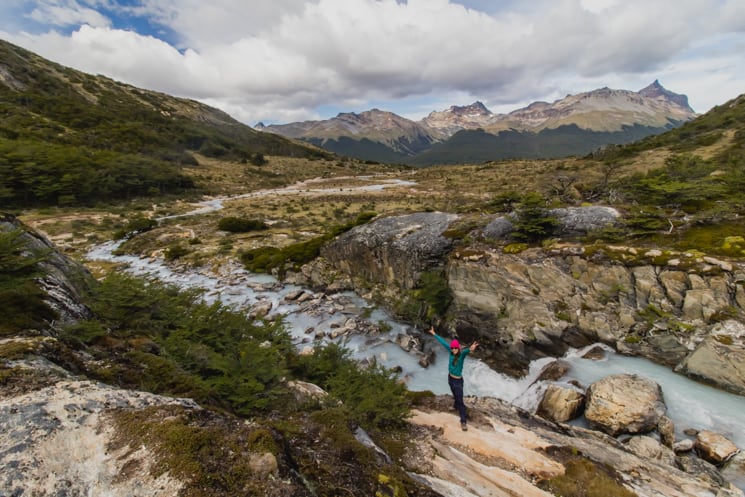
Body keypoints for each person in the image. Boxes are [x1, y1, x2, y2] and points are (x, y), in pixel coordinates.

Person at [428, 326, 479, 431]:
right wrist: (434, 334)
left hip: (458, 381)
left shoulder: (462, 354)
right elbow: (443, 342)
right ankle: (455, 406)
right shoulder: (450, 351)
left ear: (458, 348)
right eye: (452, 348)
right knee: (455, 394)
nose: (454, 349)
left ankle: (463, 421)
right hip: (450, 378)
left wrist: (471, 348)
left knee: (460, 401)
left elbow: (468, 350)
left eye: (455, 348)